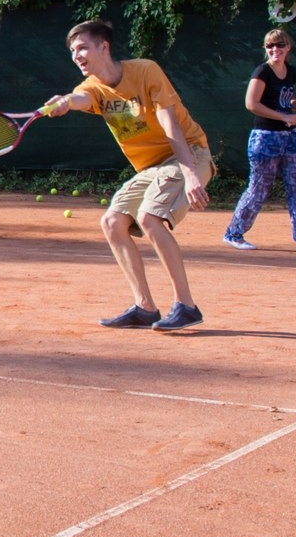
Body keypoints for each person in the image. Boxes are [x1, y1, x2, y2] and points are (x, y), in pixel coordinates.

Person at [42, 19, 215, 331]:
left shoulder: (146, 70)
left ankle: (186, 306)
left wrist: (190, 173)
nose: (76, 56)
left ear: (104, 47)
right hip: (151, 168)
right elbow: (80, 99)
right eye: (72, 51)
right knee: (112, 223)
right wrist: (66, 102)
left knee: (149, 217)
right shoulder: (91, 87)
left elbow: (169, 122)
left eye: (82, 48)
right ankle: (145, 308)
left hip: (188, 152)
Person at [223, 26, 296, 255]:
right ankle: (234, 233)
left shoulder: (290, 72)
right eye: (270, 45)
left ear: (288, 47)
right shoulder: (262, 72)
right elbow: (252, 104)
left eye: (280, 44)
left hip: (290, 138)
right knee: (259, 188)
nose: (275, 49)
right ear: (266, 48)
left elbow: (285, 100)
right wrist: (284, 117)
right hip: (265, 138)